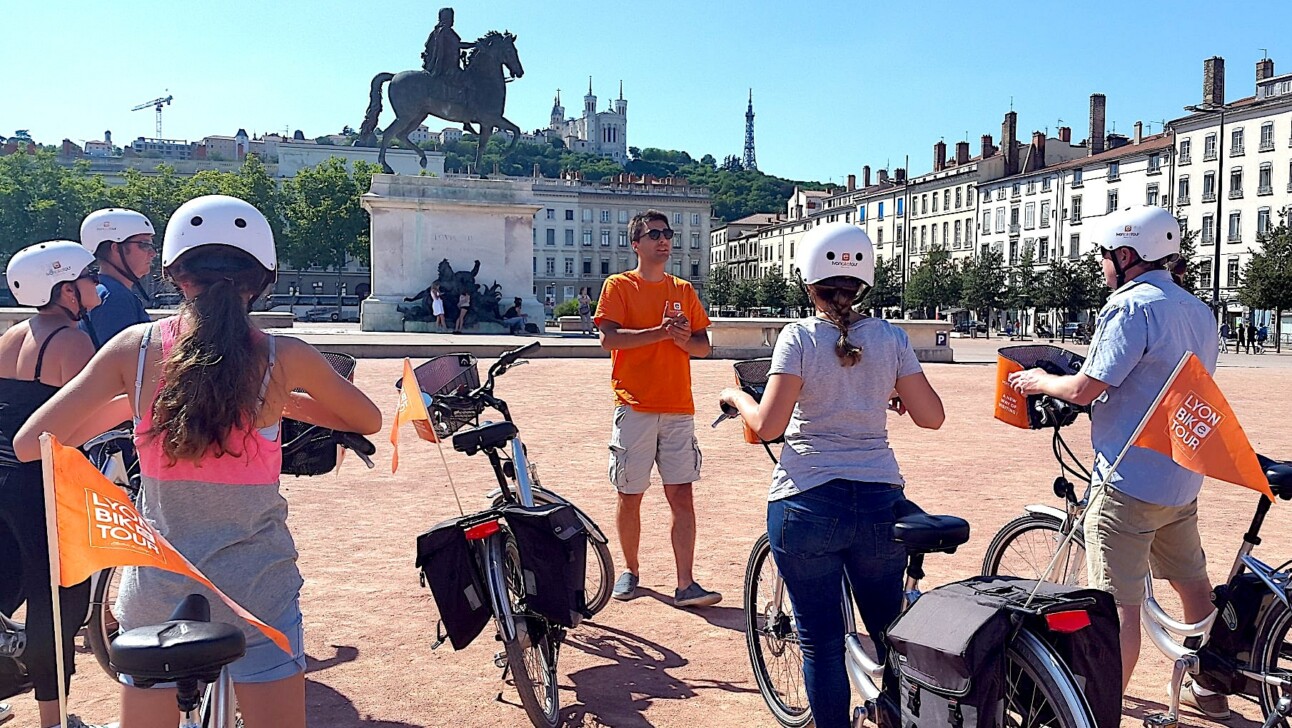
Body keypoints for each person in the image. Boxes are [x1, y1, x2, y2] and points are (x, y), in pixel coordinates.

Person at [14, 195, 382, 728]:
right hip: (258, 588)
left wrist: (138, 404)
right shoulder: (284, 356)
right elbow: (365, 419)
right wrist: (279, 398)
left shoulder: (133, 350)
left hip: (158, 591)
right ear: (260, 279)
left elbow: (31, 443)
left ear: (176, 275)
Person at [720, 223, 944, 728]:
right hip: (878, 502)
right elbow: (931, 416)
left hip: (808, 500)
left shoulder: (797, 338)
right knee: (889, 632)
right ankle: (896, 714)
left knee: (820, 642)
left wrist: (738, 398)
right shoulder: (890, 338)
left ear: (808, 282)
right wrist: (886, 393)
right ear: (865, 282)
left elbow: (769, 426)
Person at [1006, 206, 1222, 716]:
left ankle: (1101, 709)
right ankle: (1210, 687)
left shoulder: (1131, 307)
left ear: (1126, 256)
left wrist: (1039, 381)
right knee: (1193, 585)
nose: (1102, 266)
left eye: (1104, 256)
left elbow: (1085, 388)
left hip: (1128, 478)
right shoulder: (1197, 308)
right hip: (1180, 474)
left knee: (1114, 607)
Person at [0, 241, 108, 728]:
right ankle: (53, 721)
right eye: (87, 276)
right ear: (65, 289)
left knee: (6, 588)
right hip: (40, 483)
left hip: (2, 479)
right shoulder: (72, 341)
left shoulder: (9, 335)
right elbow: (82, 423)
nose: (94, 282)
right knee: (57, 602)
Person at [595, 209, 718, 608]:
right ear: (636, 244)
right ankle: (630, 571)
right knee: (630, 493)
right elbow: (609, 340)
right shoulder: (618, 286)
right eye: (654, 234)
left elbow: (703, 347)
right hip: (635, 406)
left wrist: (682, 341)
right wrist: (660, 333)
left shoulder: (682, 290)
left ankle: (686, 583)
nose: (664, 240)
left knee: (682, 495)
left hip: (678, 406)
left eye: (667, 234)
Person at [79, 207, 156, 350]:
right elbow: (124, 365)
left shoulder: (103, 291)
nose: (152, 253)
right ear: (116, 248)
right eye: (144, 245)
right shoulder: (115, 298)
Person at [421, 7, 474, 81]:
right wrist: (474, 45)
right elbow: (458, 45)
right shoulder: (445, 31)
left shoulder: (437, 31)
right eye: (450, 17)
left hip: (449, 65)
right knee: (468, 80)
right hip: (448, 67)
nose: (452, 20)